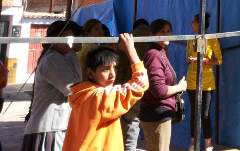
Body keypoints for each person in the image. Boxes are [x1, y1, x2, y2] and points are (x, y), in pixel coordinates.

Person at [62, 34, 149, 151]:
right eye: (106, 69)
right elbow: (141, 82)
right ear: (90, 73)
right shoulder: (101, 97)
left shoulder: (82, 93)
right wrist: (131, 50)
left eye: (115, 68)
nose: (113, 74)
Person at [21, 20, 82, 151]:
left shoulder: (64, 57)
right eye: (65, 38)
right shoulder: (53, 59)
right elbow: (72, 89)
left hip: (56, 124)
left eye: (71, 38)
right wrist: (72, 53)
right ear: (54, 39)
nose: (69, 42)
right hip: (49, 126)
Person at [139, 19, 187, 151]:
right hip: (156, 115)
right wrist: (180, 87)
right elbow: (159, 90)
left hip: (159, 114)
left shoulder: (161, 52)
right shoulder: (154, 54)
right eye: (162, 31)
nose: (166, 34)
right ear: (152, 34)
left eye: (168, 31)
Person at [186, 13, 222, 151]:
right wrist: (190, 59)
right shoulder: (191, 39)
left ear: (199, 24)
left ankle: (208, 145)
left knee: (204, 114)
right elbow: (186, 58)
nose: (190, 24)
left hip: (206, 82)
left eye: (193, 22)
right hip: (191, 80)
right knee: (194, 113)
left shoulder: (211, 39)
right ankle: (193, 143)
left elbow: (219, 60)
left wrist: (204, 60)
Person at [116, 19, 150, 151]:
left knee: (130, 134)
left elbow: (119, 70)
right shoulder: (156, 41)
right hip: (152, 94)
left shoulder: (125, 42)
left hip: (131, 93)